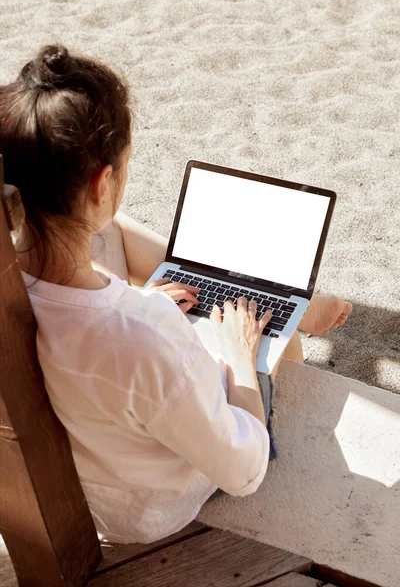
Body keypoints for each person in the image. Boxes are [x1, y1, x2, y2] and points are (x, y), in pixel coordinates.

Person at [0, 44, 352, 544]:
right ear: (102, 183)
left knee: (117, 233)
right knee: (268, 334)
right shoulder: (146, 333)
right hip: (149, 509)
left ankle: (273, 298)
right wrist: (237, 360)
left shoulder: (10, 285)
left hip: (95, 461)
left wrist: (151, 305)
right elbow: (243, 471)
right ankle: (297, 310)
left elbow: (117, 339)